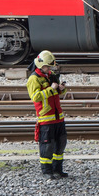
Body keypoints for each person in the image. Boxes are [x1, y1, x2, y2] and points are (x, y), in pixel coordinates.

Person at [26, 50, 69, 179]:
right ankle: (47, 172)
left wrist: (61, 89)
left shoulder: (50, 76)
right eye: (47, 66)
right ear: (40, 65)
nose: (49, 68)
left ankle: (58, 170)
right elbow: (36, 97)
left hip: (58, 117)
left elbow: (57, 94)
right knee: (47, 147)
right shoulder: (34, 79)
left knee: (60, 144)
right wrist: (51, 89)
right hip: (46, 119)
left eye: (50, 66)